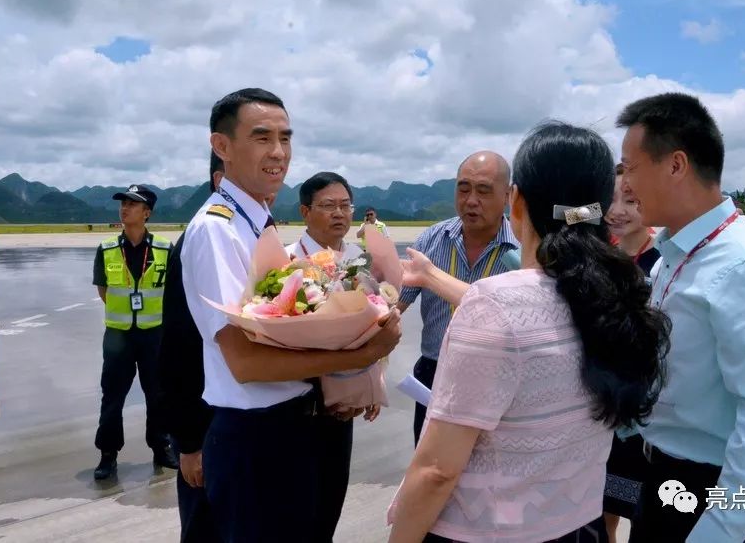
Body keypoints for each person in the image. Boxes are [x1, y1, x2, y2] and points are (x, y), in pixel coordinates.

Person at [387, 122, 671, 542]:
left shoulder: (494, 304)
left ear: (514, 200)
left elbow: (436, 471)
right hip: (577, 525)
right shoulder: (618, 295)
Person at [181, 88, 402, 542]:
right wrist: (361, 353)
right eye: (261, 138)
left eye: (285, 138)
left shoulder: (255, 221)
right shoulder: (216, 230)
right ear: (221, 146)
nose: (278, 152)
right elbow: (245, 362)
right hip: (257, 439)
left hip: (297, 425)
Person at [617, 93, 745, 542]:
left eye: (630, 167)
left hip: (715, 496)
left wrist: (716, 533)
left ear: (676, 165)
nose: (624, 184)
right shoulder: (674, 256)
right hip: (665, 477)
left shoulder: (744, 266)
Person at [396, 151, 520, 445]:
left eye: (484, 191)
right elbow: (395, 305)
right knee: (430, 468)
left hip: (496, 379)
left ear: (508, 196)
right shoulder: (431, 240)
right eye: (463, 189)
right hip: (434, 372)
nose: (471, 200)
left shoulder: (523, 249)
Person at [286, 171, 380, 540]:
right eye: (328, 206)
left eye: (345, 205)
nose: (339, 213)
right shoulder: (287, 261)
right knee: (295, 512)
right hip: (298, 406)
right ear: (306, 211)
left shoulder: (360, 259)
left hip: (343, 408)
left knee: (329, 506)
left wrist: (370, 385)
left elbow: (374, 322)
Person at [92, 184, 177, 481]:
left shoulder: (166, 249)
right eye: (123, 203)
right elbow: (104, 291)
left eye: (133, 204)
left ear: (147, 212)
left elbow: (174, 292)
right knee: (112, 397)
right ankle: (107, 454)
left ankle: (161, 447)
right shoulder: (106, 249)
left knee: (158, 395)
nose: (125, 208)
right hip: (118, 336)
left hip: (155, 334)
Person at [158, 153, 223, 542]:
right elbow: (179, 347)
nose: (277, 156)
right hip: (206, 423)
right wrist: (188, 442)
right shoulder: (205, 236)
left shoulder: (251, 231)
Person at [602, 163, 661, 539]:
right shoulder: (598, 255)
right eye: (610, 199)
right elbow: (555, 214)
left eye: (632, 200)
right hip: (603, 402)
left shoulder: (666, 258)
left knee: (648, 513)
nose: (618, 210)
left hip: (651, 410)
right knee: (599, 509)